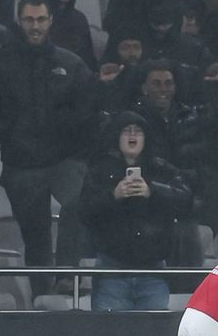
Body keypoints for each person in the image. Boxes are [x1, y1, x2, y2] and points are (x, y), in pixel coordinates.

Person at [0, 0, 97, 288]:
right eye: (28, 20)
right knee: (35, 234)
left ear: (50, 21)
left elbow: (90, 109)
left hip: (65, 159)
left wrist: (71, 135)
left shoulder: (71, 63)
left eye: (40, 19)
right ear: (19, 21)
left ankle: (66, 278)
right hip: (22, 163)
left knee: (77, 202)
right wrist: (6, 132)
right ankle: (41, 299)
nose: (35, 26)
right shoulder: (0, 62)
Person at [79, 112, 194, 311]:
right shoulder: (99, 171)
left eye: (138, 131)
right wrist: (112, 196)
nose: (132, 135)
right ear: (117, 136)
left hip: (153, 272)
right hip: (111, 271)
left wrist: (153, 191)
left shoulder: (162, 169)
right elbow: (84, 211)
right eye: (126, 131)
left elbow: (186, 201)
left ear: (146, 138)